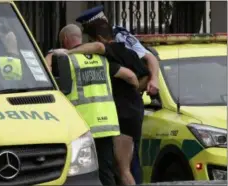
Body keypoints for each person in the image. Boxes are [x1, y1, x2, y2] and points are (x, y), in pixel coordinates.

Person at [45, 24, 140, 186]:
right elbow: (130, 76)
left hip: (81, 125)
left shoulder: (66, 60)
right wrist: (136, 91)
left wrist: (52, 55)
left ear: (65, 40)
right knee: (106, 171)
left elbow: (44, 73)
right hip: (106, 124)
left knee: (77, 174)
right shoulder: (102, 59)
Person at [75, 6, 160, 184]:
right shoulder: (127, 52)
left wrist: (68, 52)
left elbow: (131, 76)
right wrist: (135, 89)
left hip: (123, 115)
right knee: (125, 166)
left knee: (123, 170)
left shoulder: (109, 52)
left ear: (96, 37)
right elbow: (144, 74)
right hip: (133, 111)